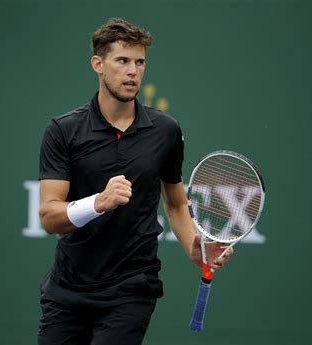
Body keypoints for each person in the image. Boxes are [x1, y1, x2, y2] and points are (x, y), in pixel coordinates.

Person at [37, 18, 233, 345]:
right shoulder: (63, 131)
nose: (133, 71)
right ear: (97, 64)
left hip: (131, 287)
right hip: (67, 287)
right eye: (122, 61)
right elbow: (48, 216)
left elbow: (174, 201)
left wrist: (195, 248)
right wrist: (98, 203)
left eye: (140, 62)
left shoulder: (165, 131)